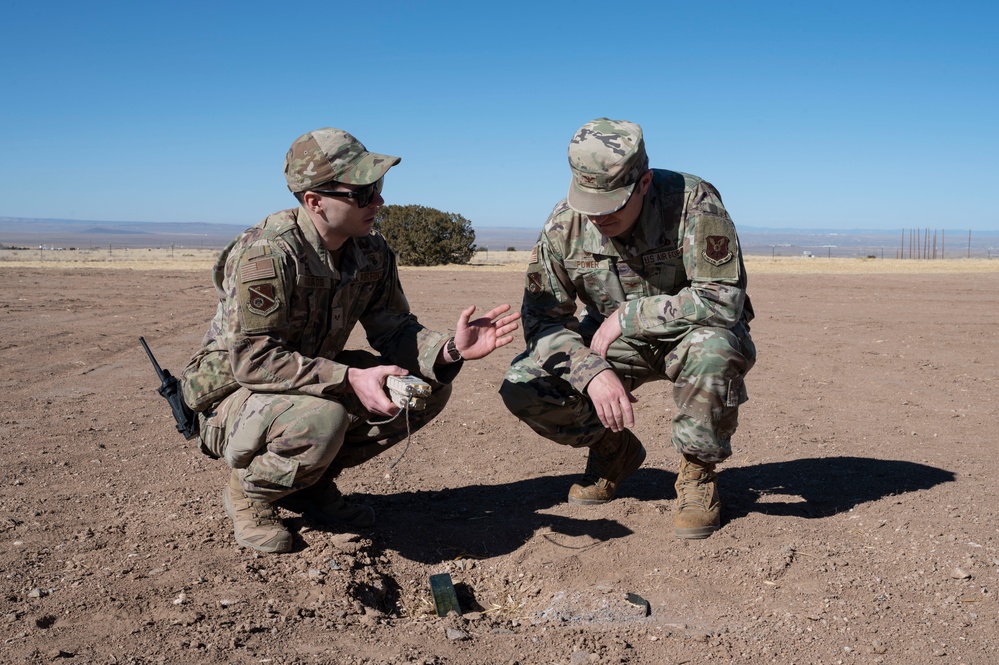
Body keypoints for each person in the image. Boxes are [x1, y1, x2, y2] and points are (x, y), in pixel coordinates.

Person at [180, 127, 520, 553]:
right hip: (232, 392)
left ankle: (307, 483)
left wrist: (451, 349)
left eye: (377, 187)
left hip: (304, 381)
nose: (378, 201)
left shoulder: (371, 251)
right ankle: (251, 492)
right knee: (321, 418)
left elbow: (393, 329)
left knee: (424, 390)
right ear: (314, 201)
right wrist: (348, 377)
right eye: (362, 193)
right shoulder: (267, 254)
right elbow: (253, 360)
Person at [500, 118, 755, 539]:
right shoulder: (564, 225)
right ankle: (612, 451)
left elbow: (723, 299)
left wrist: (629, 315)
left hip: (690, 335)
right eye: (588, 203)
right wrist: (589, 370)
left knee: (715, 349)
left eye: (611, 204)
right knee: (525, 381)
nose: (598, 217)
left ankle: (697, 472)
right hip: (611, 345)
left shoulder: (694, 202)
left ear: (643, 183)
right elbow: (543, 319)